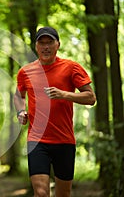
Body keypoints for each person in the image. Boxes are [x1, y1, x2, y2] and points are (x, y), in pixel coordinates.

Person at [14, 26, 96, 197]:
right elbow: (18, 96)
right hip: (37, 140)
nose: (45, 47)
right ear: (36, 46)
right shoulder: (25, 72)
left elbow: (90, 97)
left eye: (49, 42)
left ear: (58, 45)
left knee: (63, 194)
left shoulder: (71, 68)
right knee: (41, 192)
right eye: (41, 43)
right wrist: (21, 112)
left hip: (64, 140)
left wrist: (64, 94)